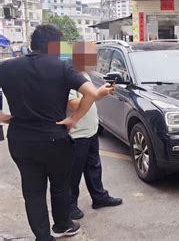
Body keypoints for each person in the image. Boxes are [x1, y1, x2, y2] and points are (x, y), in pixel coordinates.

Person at [0, 25, 115, 241]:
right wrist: (74, 119)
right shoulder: (62, 67)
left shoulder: (7, 67)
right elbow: (91, 94)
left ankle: (42, 237)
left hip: (21, 139)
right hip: (54, 138)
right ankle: (62, 225)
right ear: (54, 45)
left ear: (34, 44)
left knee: (32, 191)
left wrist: (3, 117)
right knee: (60, 186)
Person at [68, 42, 123, 221]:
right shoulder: (71, 75)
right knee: (73, 172)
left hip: (90, 130)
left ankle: (99, 197)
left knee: (93, 167)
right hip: (77, 134)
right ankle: (70, 206)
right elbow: (73, 104)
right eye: (92, 56)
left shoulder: (84, 74)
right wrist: (97, 94)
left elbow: (90, 98)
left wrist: (101, 93)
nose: (96, 60)